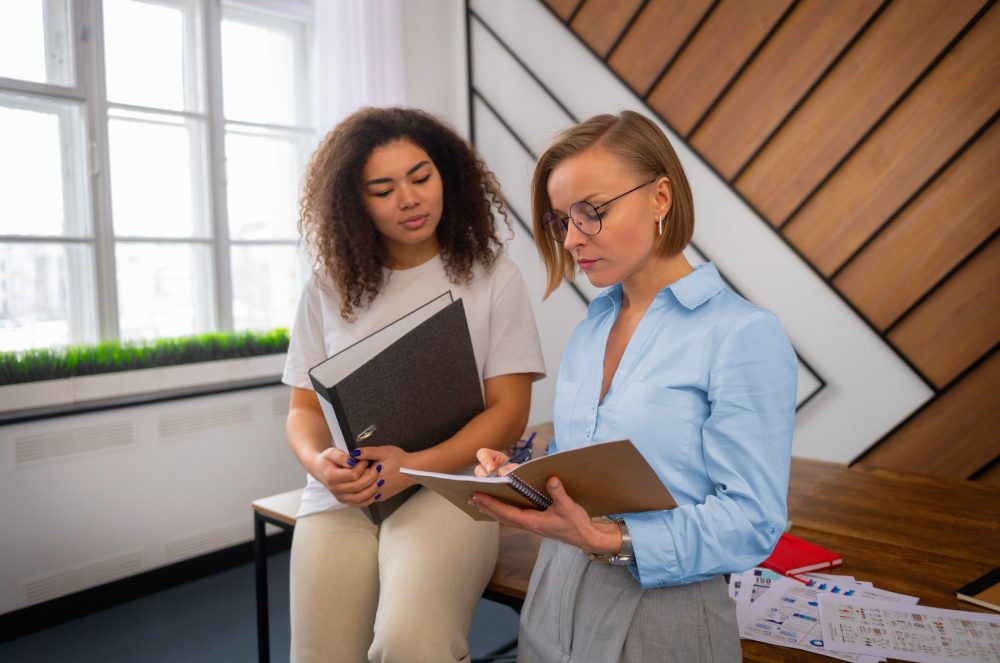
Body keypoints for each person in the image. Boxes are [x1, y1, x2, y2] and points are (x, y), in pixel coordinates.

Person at [471, 110, 797, 662]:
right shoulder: (590, 329)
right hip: (553, 600)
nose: (572, 239)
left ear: (660, 198)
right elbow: (579, 469)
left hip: (663, 618)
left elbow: (751, 522)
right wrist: (519, 481)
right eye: (560, 221)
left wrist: (613, 540)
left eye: (591, 212)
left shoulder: (743, 334)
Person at [282, 107, 545, 663]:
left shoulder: (493, 277)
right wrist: (318, 464)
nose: (409, 198)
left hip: (449, 486)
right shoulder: (327, 287)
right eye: (383, 189)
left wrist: (413, 465)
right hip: (346, 494)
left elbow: (509, 411)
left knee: (410, 647)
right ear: (355, 202)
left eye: (421, 177)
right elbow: (302, 410)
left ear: (445, 174)